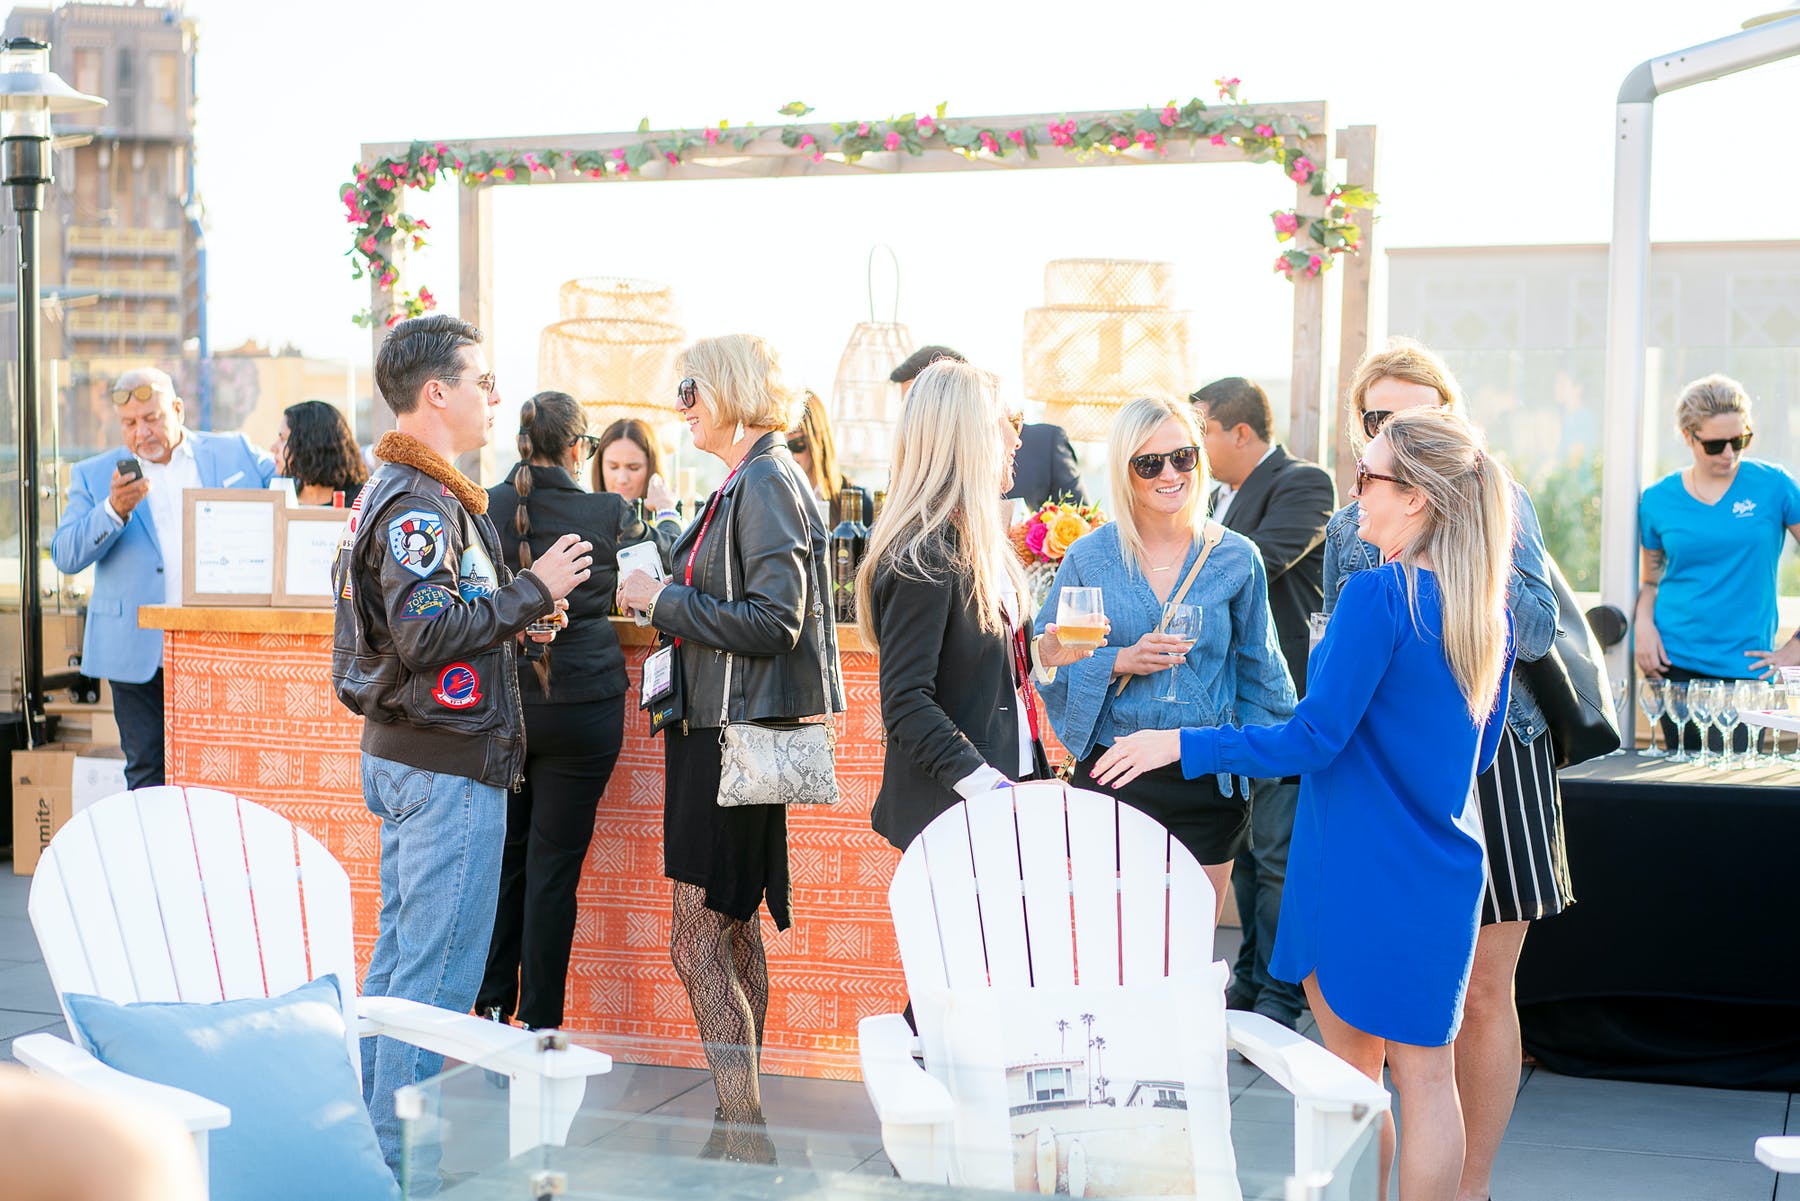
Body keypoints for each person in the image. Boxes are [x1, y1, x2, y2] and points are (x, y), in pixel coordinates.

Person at [1096, 408, 1518, 1201]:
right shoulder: (1485, 612)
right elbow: (1478, 755)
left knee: (1351, 1082)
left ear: (1417, 497)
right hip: (1443, 872)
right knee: (1428, 1079)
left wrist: (1182, 742)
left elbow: (1311, 741)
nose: (1355, 493)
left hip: (1354, 870)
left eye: (1369, 475)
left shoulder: (1379, 597)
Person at [330, 314, 593, 1176]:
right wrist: (528, 590)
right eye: (482, 378)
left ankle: (376, 1160)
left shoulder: (414, 492)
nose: (495, 394)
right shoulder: (417, 500)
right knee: (433, 990)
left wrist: (520, 615)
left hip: (422, 754)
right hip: (441, 768)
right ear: (436, 392)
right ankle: (399, 1170)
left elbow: (437, 627)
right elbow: (424, 629)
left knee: (403, 972)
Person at [1321, 338, 1562, 1201]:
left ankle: (1471, 1188)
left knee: (1485, 992)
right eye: (1379, 419)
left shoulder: (1504, 500)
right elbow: (1333, 647)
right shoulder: (1351, 517)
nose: (1396, 430)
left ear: (1452, 419)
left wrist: (1463, 551)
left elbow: (1536, 631)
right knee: (1390, 1008)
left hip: (1498, 757)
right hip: (1393, 773)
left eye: (1418, 414)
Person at [616, 334, 844, 1163]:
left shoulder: (765, 482)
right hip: (721, 734)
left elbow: (773, 621)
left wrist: (663, 599)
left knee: (698, 938)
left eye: (690, 388)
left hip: (728, 742)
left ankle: (743, 1129)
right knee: (731, 931)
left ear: (731, 389)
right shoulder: (754, 479)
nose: (680, 406)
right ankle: (739, 1120)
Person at [1034, 395, 1295, 916]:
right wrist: (1119, 660)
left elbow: (1260, 671)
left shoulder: (1237, 557)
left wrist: (1295, 755)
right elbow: (1045, 656)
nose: (1170, 473)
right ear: (1125, 471)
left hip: (1206, 781)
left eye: (1183, 457)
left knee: (1191, 959)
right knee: (1118, 960)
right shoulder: (1091, 556)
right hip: (1115, 776)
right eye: (1149, 463)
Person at [856, 359, 1095, 854]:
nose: (1018, 439)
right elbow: (906, 706)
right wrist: (995, 793)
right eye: (1007, 422)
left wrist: (1040, 656)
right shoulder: (922, 554)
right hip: (958, 814)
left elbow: (975, 670)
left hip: (1004, 795)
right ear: (969, 434)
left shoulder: (982, 540)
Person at [476, 392, 631, 1031]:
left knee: (505, 860)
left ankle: (488, 1004)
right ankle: (540, 1025)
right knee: (552, 871)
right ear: (578, 448)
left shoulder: (482, 505)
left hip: (503, 707)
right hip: (583, 707)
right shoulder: (606, 510)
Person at [50, 367, 276, 789]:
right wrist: (113, 510)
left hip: (217, 642)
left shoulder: (234, 453)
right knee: (148, 770)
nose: (142, 432)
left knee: (221, 768)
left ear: (177, 409)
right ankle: (153, 857)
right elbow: (64, 554)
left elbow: (289, 487)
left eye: (152, 418)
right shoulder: (94, 475)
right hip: (136, 650)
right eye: (130, 423)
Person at [1192, 375, 1335, 1029]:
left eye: (1203, 432)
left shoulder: (1304, 483)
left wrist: (1174, 561)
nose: (1193, 449)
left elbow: (1266, 559)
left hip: (1281, 700)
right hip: (1229, 703)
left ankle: (1283, 992)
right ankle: (1250, 978)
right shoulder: (1219, 497)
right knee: (1246, 851)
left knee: (1277, 850)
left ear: (1241, 432)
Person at [1638, 375, 1800, 726]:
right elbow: (1651, 581)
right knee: (1678, 779)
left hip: (1747, 670)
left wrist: (1798, 642)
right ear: (1688, 437)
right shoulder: (1657, 499)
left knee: (1735, 778)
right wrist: (1643, 625)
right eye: (1715, 445)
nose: (1729, 454)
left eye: (1740, 440)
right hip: (1673, 666)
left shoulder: (1775, 486)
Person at [892, 344, 1087, 509]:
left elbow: (1082, 522)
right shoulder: (910, 464)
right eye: (908, 409)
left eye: (920, 403)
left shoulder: (1045, 443)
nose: (914, 420)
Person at [593, 417, 682, 570]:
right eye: (613, 467)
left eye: (633, 468)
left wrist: (665, 510)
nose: (622, 479)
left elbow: (678, 557)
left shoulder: (674, 519)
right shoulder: (588, 516)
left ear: (652, 467)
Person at [272, 400, 368, 507]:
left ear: (309, 444)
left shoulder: (361, 503)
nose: (273, 448)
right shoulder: (283, 496)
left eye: (283, 439)